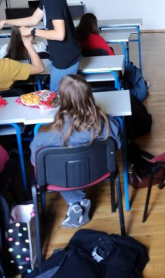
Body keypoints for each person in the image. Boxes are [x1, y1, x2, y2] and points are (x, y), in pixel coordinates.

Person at [29, 74, 122, 229]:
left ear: (61, 98)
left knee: (61, 168)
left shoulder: (44, 135)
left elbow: (35, 162)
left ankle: (75, 202)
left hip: (62, 177)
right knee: (76, 164)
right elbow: (117, 145)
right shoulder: (107, 124)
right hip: (98, 171)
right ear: (89, 95)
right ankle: (75, 201)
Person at [0, 0, 82, 92]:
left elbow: (60, 34)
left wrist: (32, 31)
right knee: (58, 96)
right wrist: (5, 22)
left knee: (58, 97)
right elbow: (33, 19)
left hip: (65, 58)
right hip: (60, 56)